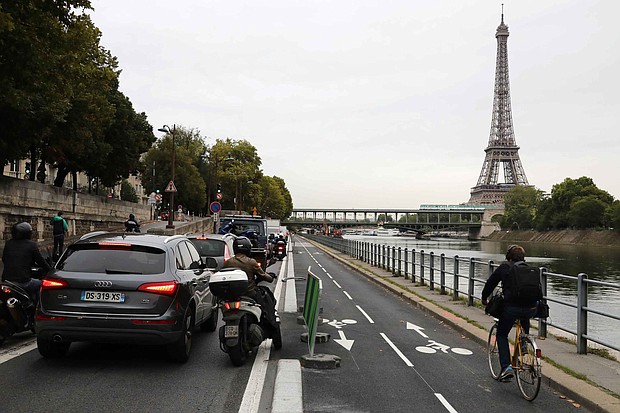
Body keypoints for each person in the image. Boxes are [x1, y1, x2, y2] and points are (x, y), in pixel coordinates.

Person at [481, 245, 538, 382]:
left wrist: (484, 298)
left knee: (501, 334)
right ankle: (524, 343)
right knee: (524, 317)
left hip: (511, 308)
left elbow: (491, 283)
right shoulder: (530, 269)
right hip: (531, 308)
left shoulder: (505, 267)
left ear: (508, 256)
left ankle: (506, 368)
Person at [223, 236, 277, 329]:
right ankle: (269, 324)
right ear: (248, 248)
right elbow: (263, 275)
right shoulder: (251, 262)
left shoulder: (228, 262)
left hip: (231, 295)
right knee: (266, 306)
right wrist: (271, 277)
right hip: (250, 294)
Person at [1, 222, 51, 303]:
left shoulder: (9, 243)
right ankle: (38, 307)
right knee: (42, 284)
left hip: (6, 281)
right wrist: (50, 270)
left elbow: (4, 259)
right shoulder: (31, 245)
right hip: (23, 282)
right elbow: (41, 262)